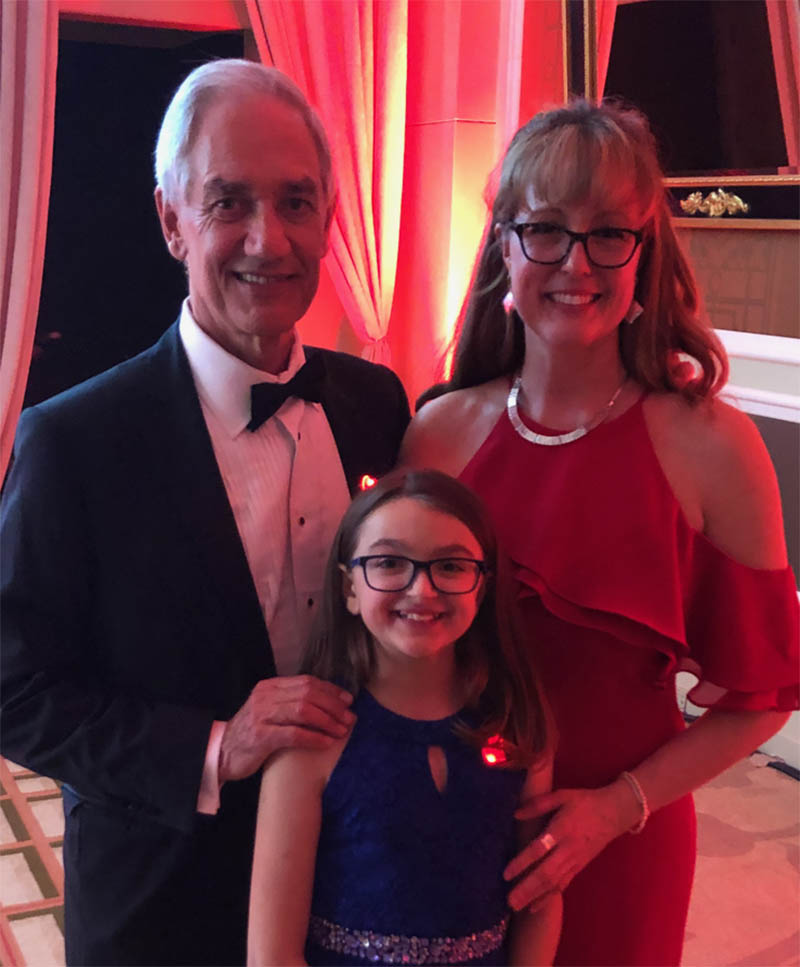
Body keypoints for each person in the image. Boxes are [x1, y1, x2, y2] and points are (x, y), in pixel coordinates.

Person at [0, 60, 410, 967]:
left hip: (355, 885)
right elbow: (15, 689)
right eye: (229, 201)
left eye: (296, 201)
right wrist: (217, 746)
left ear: (330, 221)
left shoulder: (378, 403)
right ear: (171, 221)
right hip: (163, 908)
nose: (268, 238)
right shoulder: (75, 442)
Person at [401, 99, 799, 966]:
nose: (575, 263)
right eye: (545, 229)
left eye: (608, 233)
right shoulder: (436, 430)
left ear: (643, 256)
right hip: (447, 819)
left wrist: (615, 807)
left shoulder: (713, 444)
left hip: (623, 843)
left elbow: (763, 699)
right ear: (504, 244)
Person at [247, 469, 561, 966]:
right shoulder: (313, 736)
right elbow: (272, 956)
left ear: (482, 587)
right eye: (390, 562)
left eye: (451, 566)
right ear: (349, 587)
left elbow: (539, 899)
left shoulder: (516, 720)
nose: (422, 589)